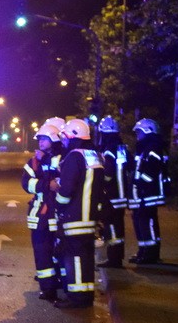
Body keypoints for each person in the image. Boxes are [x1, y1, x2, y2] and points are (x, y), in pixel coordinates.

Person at [52, 118, 103, 309]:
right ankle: (86, 295)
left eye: (65, 137)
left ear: (73, 136)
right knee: (86, 258)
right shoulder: (94, 155)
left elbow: (66, 190)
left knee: (75, 258)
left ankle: (78, 298)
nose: (63, 142)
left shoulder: (74, 156)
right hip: (89, 218)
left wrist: (58, 205)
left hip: (74, 218)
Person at [21, 123, 62, 301]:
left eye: (44, 139)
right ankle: (48, 289)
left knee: (59, 253)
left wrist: (49, 183)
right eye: (40, 139)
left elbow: (63, 182)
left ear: (54, 139)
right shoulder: (34, 161)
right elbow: (26, 183)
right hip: (40, 216)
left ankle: (60, 283)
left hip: (58, 215)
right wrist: (47, 185)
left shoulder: (63, 158)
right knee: (42, 254)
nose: (41, 142)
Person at [129, 118, 169, 264]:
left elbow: (152, 170)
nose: (137, 135)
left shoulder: (154, 147)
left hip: (149, 193)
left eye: (139, 132)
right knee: (142, 222)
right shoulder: (146, 147)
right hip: (143, 193)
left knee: (148, 222)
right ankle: (144, 251)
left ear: (148, 131)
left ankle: (151, 254)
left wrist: (141, 184)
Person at [94, 116, 131, 268]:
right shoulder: (121, 147)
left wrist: (99, 182)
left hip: (111, 195)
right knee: (118, 226)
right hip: (121, 195)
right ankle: (117, 257)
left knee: (112, 227)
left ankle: (114, 259)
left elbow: (108, 173)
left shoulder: (108, 150)